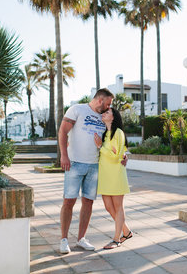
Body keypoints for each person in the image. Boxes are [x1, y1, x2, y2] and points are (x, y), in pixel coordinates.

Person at [58, 88, 116, 254]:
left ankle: (81, 239)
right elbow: (63, 131)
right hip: (74, 163)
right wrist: (64, 155)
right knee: (68, 201)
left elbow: (112, 139)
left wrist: (123, 155)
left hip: (94, 166)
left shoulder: (105, 117)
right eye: (108, 103)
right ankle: (63, 240)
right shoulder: (77, 109)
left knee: (88, 202)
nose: (109, 106)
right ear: (100, 100)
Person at [95, 107, 133, 249]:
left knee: (118, 208)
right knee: (108, 206)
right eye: (103, 112)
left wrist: (101, 147)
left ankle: (116, 239)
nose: (103, 114)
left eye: (107, 112)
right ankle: (126, 231)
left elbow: (117, 157)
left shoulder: (119, 133)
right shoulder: (105, 134)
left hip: (116, 174)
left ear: (113, 117)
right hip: (105, 175)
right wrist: (106, 149)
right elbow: (111, 154)